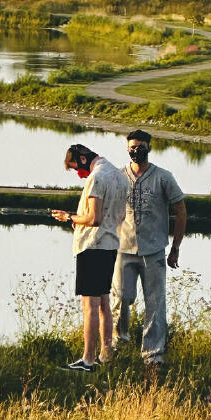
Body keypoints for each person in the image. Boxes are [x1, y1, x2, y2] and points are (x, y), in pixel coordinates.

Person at [112, 129, 187, 365]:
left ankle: (153, 354)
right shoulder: (117, 176)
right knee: (121, 298)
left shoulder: (163, 177)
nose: (136, 151)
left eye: (140, 146)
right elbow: (104, 208)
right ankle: (118, 344)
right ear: (127, 149)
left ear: (149, 147)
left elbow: (181, 210)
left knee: (155, 302)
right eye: (132, 147)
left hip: (153, 250)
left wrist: (175, 247)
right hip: (123, 248)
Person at [51, 142, 128, 372]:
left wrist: (70, 218)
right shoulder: (119, 176)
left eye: (77, 168)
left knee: (90, 305)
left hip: (92, 246)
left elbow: (93, 218)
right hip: (110, 244)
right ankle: (106, 354)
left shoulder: (97, 177)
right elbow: (117, 215)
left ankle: (88, 359)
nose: (79, 174)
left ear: (83, 159)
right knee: (104, 302)